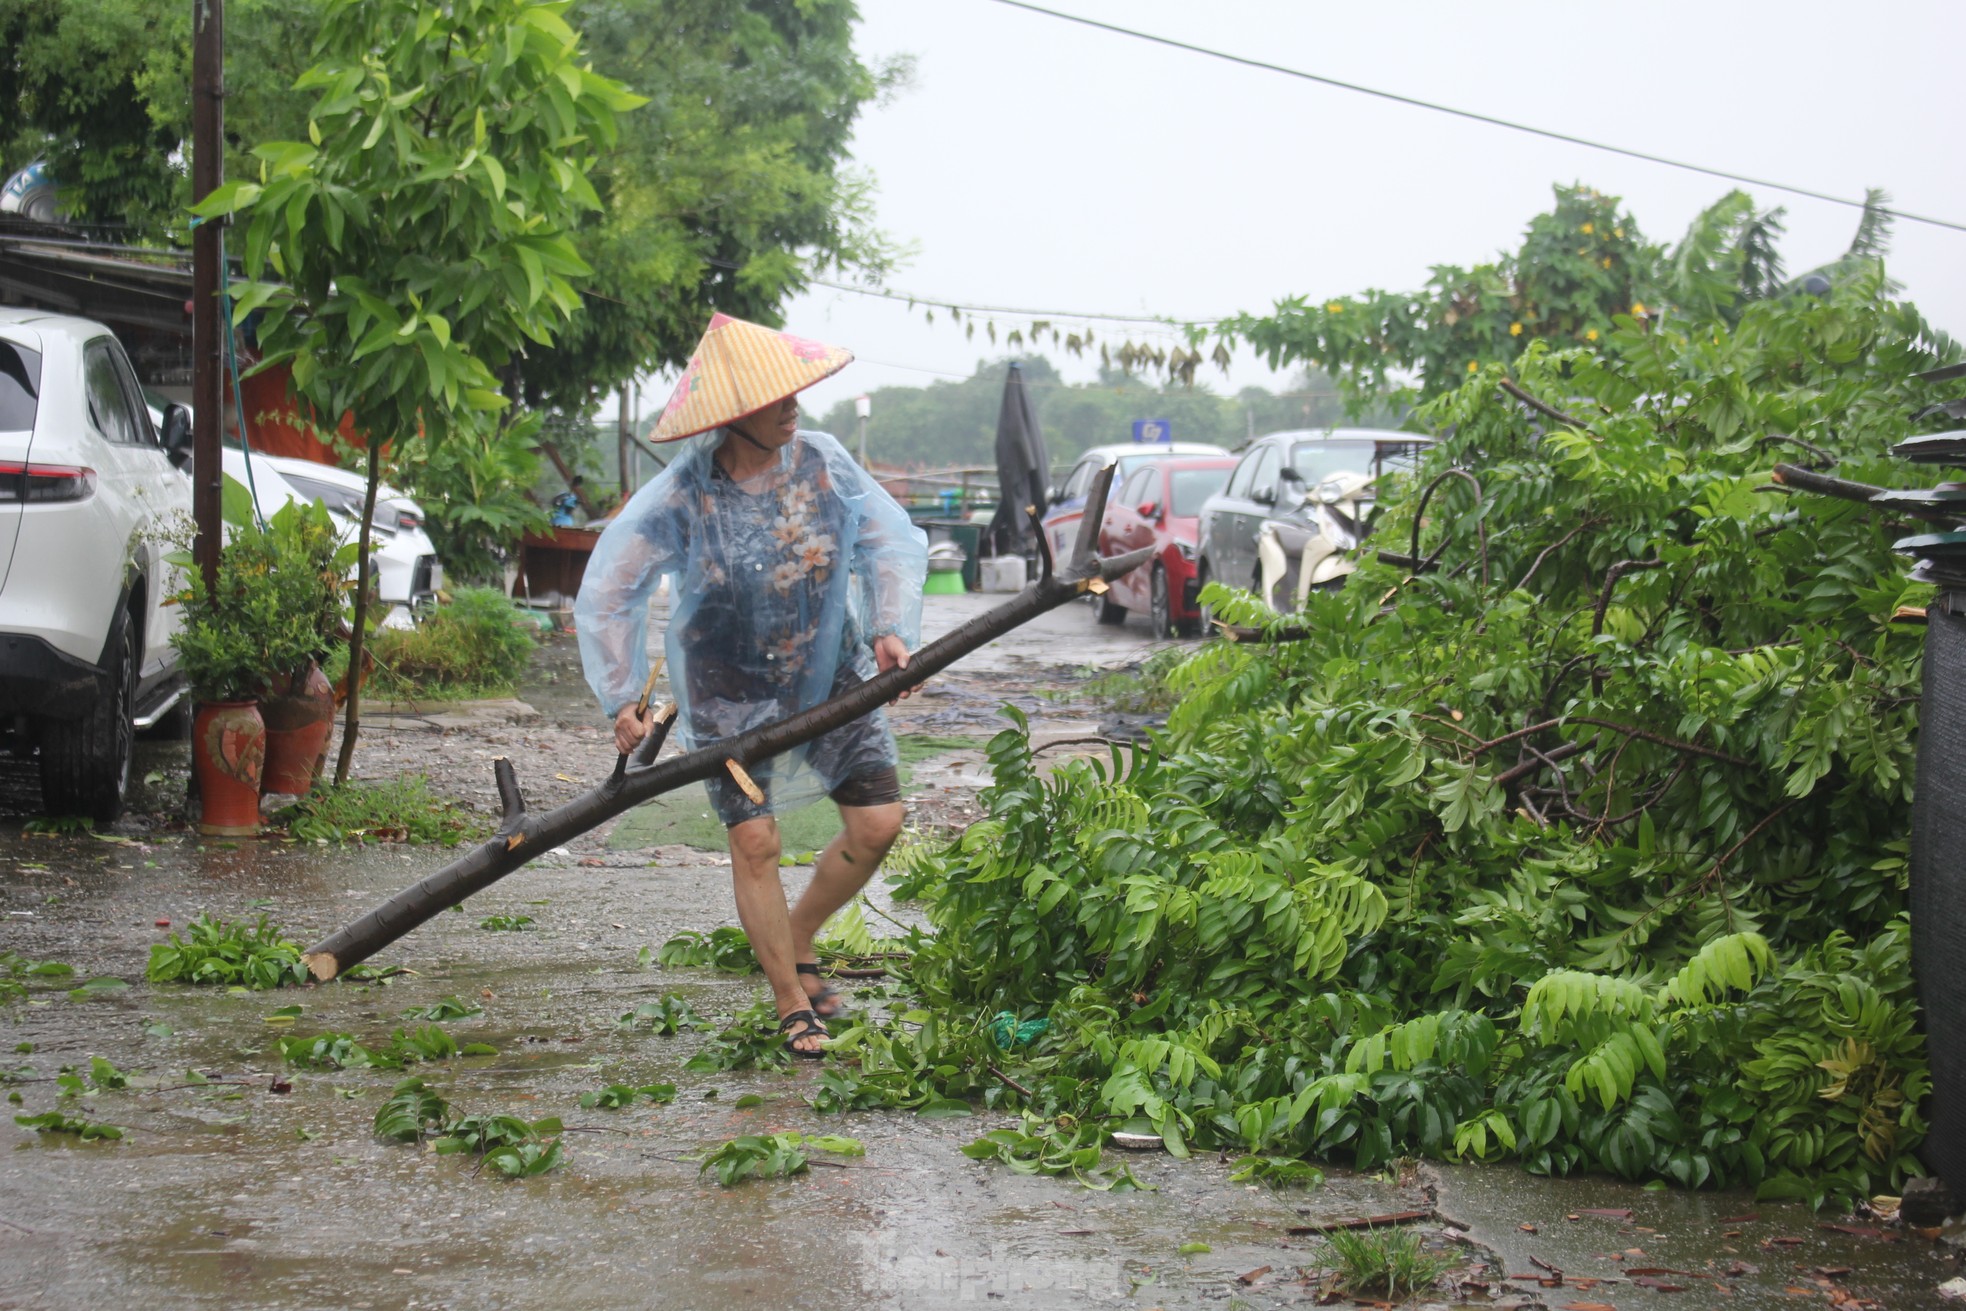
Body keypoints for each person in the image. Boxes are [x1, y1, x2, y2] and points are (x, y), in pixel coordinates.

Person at [574, 314, 928, 1058]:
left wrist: (891, 625)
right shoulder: (685, 496)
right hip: (726, 687)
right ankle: (790, 998)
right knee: (757, 839)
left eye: (793, 390)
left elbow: (887, 541)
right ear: (735, 415)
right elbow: (612, 588)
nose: (793, 404)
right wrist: (621, 698)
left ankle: (798, 933)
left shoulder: (825, 463)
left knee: (879, 823)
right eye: (775, 396)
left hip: (830, 668)